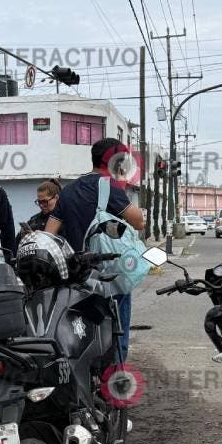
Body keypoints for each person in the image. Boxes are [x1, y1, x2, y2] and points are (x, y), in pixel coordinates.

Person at [45, 138, 146, 361]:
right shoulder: (108, 186)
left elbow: (49, 233)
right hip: (107, 274)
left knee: (80, 325)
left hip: (75, 274)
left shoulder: (69, 191)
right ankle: (114, 379)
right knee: (116, 326)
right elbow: (138, 222)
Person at [17, 178, 61, 244]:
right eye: (39, 202)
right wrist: (22, 236)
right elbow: (15, 246)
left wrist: (41, 236)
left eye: (45, 201)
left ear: (56, 198)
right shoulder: (34, 220)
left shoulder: (65, 218)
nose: (41, 205)